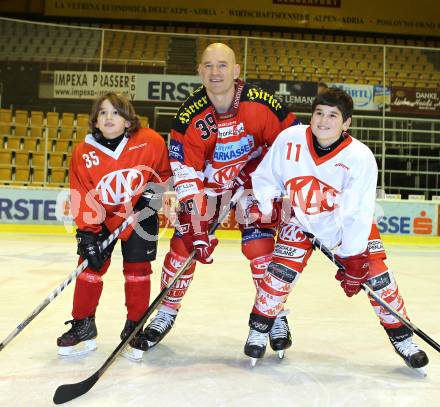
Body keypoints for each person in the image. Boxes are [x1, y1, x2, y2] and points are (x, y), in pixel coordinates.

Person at [243, 87, 429, 373]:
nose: (323, 121)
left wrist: (355, 258)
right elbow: (267, 174)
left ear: (346, 123)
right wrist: (267, 205)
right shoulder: (290, 138)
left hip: (345, 227)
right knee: (279, 274)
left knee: (379, 279)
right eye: (319, 113)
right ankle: (259, 329)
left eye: (333, 115)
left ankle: (404, 339)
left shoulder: (360, 156)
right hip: (301, 221)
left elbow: (357, 212)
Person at [133, 42, 300, 354]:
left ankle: (274, 314)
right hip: (209, 189)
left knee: (259, 247)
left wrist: (267, 178)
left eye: (222, 65)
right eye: (208, 65)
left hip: (253, 182)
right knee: (183, 246)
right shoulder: (188, 117)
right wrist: (196, 226)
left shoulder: (261, 103)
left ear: (236, 71)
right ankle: (166, 311)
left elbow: (293, 142)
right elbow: (185, 174)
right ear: (199, 72)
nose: (215, 72)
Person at [57, 92, 171, 360]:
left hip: (140, 215)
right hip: (102, 216)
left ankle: (134, 326)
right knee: (89, 268)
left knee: (138, 271)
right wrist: (86, 233)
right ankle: (84, 325)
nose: (109, 117)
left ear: (128, 121)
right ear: (95, 121)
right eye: (103, 113)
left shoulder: (150, 141)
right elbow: (82, 193)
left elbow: (164, 174)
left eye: (116, 112)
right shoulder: (83, 153)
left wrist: (154, 195)